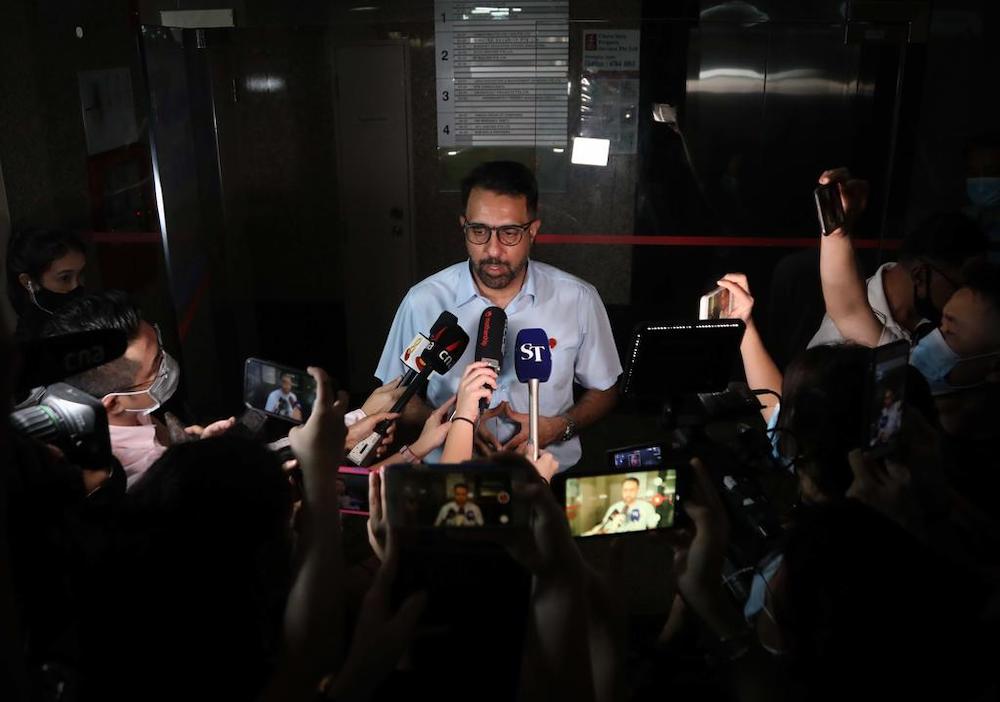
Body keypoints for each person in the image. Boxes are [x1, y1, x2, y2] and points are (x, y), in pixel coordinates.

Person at [375, 160, 621, 469]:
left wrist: (560, 427)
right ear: (463, 226)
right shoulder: (424, 300)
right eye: (479, 231)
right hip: (450, 478)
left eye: (509, 233)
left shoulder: (579, 299)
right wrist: (456, 425)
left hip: (546, 477)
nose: (493, 250)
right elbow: (394, 394)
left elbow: (604, 389)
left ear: (533, 231)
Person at [42, 290, 234, 488]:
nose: (166, 363)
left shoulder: (129, 414)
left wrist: (195, 446)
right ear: (114, 403)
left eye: (160, 348)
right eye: (156, 365)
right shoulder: (147, 477)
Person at [811, 168, 987, 348]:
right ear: (919, 276)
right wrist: (838, 231)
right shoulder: (843, 335)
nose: (961, 301)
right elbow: (848, 309)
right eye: (958, 288)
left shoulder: (924, 339)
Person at [5, 228, 87, 342]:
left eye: (81, 274)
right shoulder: (31, 342)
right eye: (65, 278)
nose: (76, 286)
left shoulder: (85, 317)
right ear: (28, 281)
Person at [585, 477, 660, 535]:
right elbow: (604, 527)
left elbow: (652, 529)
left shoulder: (647, 507)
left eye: (631, 490)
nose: (628, 493)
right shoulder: (614, 507)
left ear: (637, 490)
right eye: (625, 490)